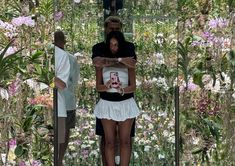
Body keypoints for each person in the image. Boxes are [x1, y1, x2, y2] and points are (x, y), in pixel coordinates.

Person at [92, 16, 137, 165]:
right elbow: (97, 63)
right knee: (107, 140)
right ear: (106, 29)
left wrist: (108, 62)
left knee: (125, 140)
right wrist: (120, 61)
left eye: (117, 29)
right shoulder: (98, 47)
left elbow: (132, 64)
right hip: (106, 102)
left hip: (125, 101)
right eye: (111, 28)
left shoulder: (129, 46)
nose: (114, 31)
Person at [59, 52, 79, 165]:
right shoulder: (71, 58)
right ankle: (59, 159)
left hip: (64, 101)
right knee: (65, 131)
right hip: (67, 101)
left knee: (62, 131)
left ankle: (59, 159)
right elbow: (75, 81)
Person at [54, 30, 70, 166]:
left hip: (57, 108)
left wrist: (45, 76)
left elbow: (62, 84)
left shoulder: (62, 55)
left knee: (56, 150)